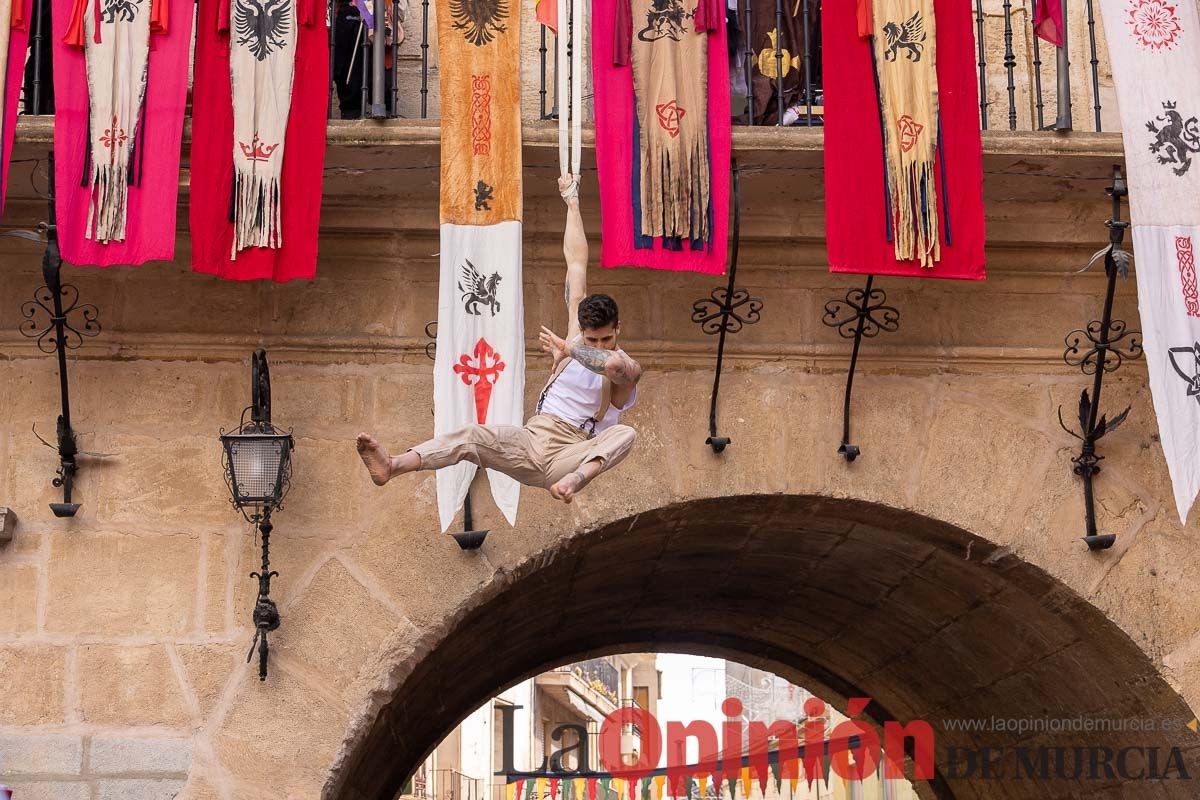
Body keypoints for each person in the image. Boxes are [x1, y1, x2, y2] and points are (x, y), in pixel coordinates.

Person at [356, 176, 641, 504]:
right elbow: (576, 263)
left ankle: (572, 483)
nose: (598, 345)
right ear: (582, 329)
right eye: (592, 339)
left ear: (618, 328)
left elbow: (617, 367)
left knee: (625, 433)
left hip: (574, 453)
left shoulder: (623, 366)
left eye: (606, 338)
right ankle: (392, 466)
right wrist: (572, 202)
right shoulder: (577, 335)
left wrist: (572, 349)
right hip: (533, 440)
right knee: (471, 435)